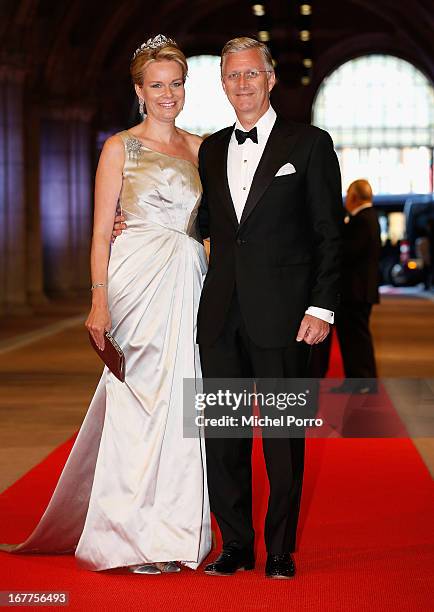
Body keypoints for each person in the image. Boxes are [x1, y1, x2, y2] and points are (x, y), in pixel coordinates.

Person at [114, 36, 342, 579]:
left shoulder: (309, 144)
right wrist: (133, 223)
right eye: (232, 75)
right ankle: (235, 544)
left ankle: (281, 550)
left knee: (284, 439)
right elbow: (200, 222)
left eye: (250, 75)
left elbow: (330, 236)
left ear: (270, 80)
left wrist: (322, 308)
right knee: (224, 438)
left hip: (288, 317)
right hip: (218, 314)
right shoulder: (211, 149)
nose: (241, 84)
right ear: (222, 83)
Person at [1, 35, 211, 574]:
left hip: (189, 280)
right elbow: (99, 233)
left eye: (176, 84)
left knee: (184, 407)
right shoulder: (120, 147)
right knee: (138, 405)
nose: (168, 95)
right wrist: (98, 304)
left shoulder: (202, 147)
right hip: (135, 281)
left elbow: (215, 229)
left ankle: (173, 533)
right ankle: (125, 536)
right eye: (157, 86)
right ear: (139, 91)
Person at [331, 179, 381, 392]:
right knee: (354, 337)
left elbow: (349, 253)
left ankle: (362, 381)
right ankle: (358, 380)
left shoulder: (362, 220)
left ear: (353, 197)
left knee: (356, 338)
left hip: (356, 291)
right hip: (359, 290)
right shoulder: (369, 218)